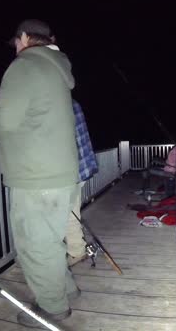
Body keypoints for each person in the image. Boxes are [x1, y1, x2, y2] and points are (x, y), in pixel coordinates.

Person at [0, 19, 80, 327]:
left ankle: (53, 308)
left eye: (16, 42)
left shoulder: (25, 66)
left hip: (36, 177)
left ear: (24, 38)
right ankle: (66, 290)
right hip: (60, 172)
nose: (16, 48)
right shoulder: (57, 70)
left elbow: (4, 118)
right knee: (51, 241)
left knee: (35, 245)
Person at [66, 99, 99, 267]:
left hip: (69, 171)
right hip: (81, 168)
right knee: (71, 213)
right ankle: (75, 249)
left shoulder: (59, 103)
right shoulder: (73, 102)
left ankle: (76, 251)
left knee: (68, 215)